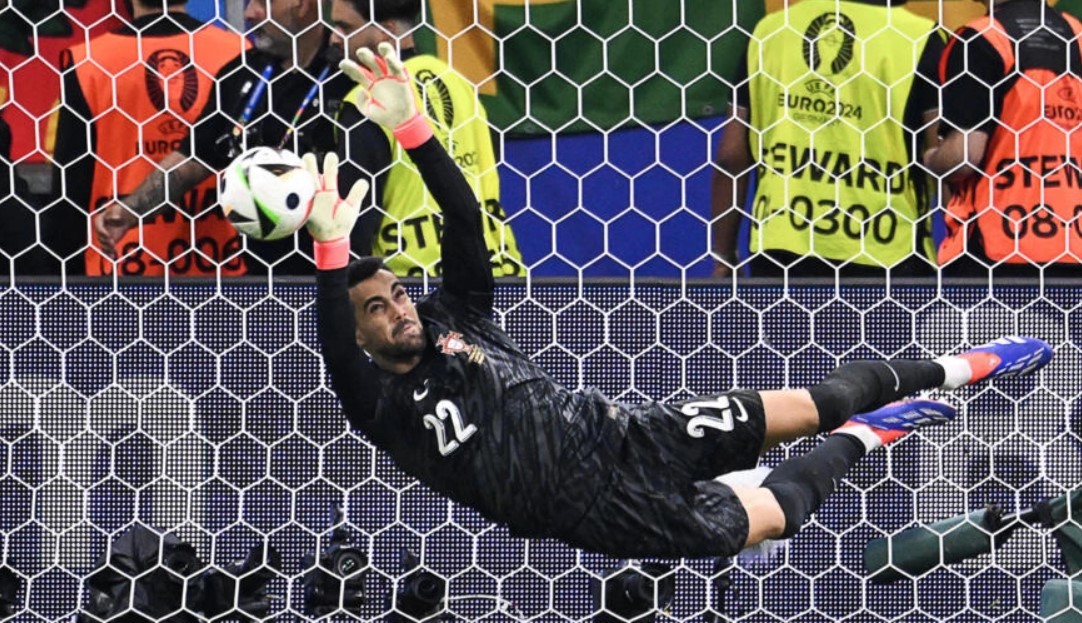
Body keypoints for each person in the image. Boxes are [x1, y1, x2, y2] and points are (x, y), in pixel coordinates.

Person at [307, 44, 1055, 558]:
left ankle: (965, 365)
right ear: (360, 335)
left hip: (624, 433)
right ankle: (870, 435)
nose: (399, 310)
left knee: (807, 405)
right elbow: (336, 348)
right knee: (773, 515)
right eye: (377, 310)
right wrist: (332, 252)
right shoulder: (379, 404)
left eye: (398, 293)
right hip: (594, 512)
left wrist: (413, 129)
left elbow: (464, 220)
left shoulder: (456, 317)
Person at [93, 0, 355, 275]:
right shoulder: (242, 72)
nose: (249, 14)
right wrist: (130, 210)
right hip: (262, 272)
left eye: (260, 3)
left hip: (341, 268)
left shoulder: (347, 74)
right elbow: (193, 158)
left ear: (300, 5)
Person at [712, 0, 943, 279]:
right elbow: (945, 162)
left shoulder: (770, 32)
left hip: (781, 244)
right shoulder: (919, 37)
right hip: (885, 247)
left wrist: (724, 256)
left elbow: (731, 157)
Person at [49, 0, 249, 277]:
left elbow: (70, 190)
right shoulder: (237, 52)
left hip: (121, 268)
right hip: (225, 266)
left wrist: (60, 281)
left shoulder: (89, 62)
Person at [328, 0, 523, 278]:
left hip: (410, 284)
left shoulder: (367, 103)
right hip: (499, 271)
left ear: (387, 31)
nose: (334, 37)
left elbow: (354, 222)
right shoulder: (459, 82)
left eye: (345, 27)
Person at [924, 0, 1082, 278]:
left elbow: (964, 156)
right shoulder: (1077, 35)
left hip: (997, 249)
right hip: (1073, 244)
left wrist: (930, 159)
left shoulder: (982, 38)